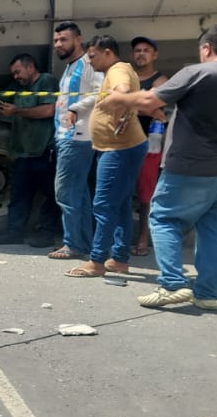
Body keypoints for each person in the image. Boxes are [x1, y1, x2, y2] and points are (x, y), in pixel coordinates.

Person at [98, 23, 217, 309]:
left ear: (207, 48)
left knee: (163, 219)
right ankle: (208, 293)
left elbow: (151, 99)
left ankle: (172, 284)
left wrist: (118, 99)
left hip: (188, 165)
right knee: (214, 229)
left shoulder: (197, 72)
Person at [66, 36, 148, 278]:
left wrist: (117, 102)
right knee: (120, 204)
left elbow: (122, 89)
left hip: (119, 150)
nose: (90, 62)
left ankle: (97, 261)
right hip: (121, 147)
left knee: (103, 205)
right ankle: (120, 259)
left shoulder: (118, 70)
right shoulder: (119, 70)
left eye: (92, 56)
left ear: (108, 53)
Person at [0, 53, 61, 247]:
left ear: (30, 67)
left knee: (50, 195)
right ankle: (14, 232)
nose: (16, 76)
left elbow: (49, 110)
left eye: (18, 72)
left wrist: (17, 111)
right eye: (13, 73)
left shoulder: (46, 81)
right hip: (23, 151)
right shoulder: (18, 87)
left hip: (43, 150)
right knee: (19, 195)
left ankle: (47, 233)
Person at [48, 21, 103, 260]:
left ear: (78, 40)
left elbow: (102, 93)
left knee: (66, 193)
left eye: (64, 40)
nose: (59, 44)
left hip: (77, 138)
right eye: (57, 40)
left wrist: (75, 108)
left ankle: (73, 244)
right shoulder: (71, 66)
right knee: (78, 193)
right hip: (66, 137)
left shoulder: (88, 64)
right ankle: (83, 243)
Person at [129, 36, 170, 257]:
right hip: (124, 143)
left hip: (149, 146)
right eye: (137, 50)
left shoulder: (161, 81)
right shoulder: (127, 77)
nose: (141, 54)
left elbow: (155, 105)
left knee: (146, 196)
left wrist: (128, 103)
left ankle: (143, 239)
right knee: (122, 193)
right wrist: (144, 106)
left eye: (146, 50)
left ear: (154, 54)